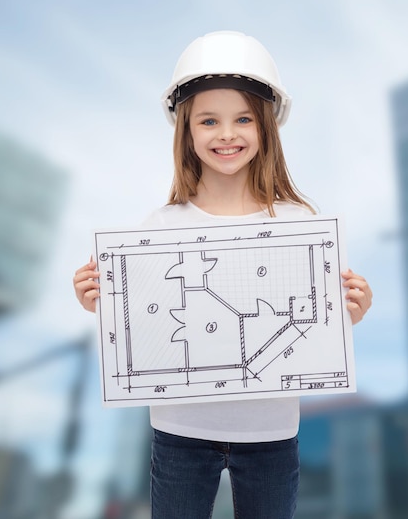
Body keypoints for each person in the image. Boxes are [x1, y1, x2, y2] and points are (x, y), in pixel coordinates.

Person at [73, 30, 372, 518]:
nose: (226, 134)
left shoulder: (297, 223)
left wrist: (349, 312)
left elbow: (312, 324)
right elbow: (144, 325)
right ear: (186, 130)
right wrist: (98, 302)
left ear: (266, 127)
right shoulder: (159, 228)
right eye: (209, 120)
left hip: (271, 435)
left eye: (243, 119)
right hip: (180, 434)